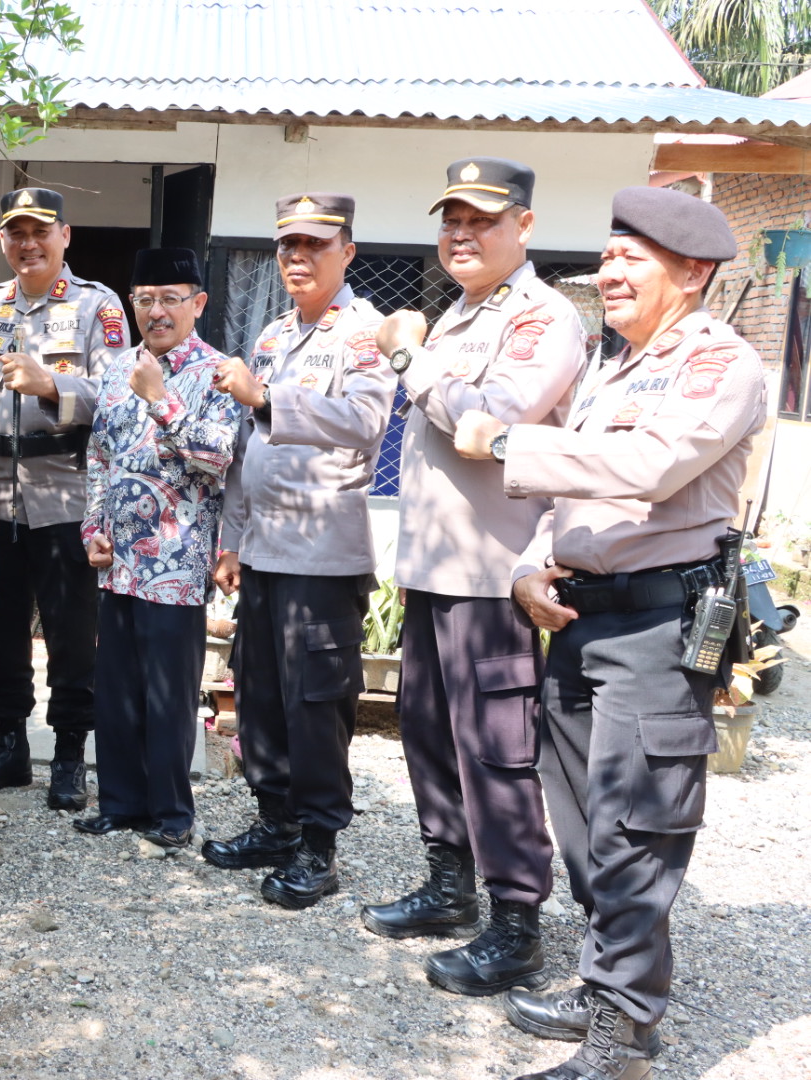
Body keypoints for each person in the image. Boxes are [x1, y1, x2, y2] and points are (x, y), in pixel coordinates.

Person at [453, 187, 761, 1080]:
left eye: (631, 258)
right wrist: (528, 565)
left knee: (637, 825)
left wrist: (511, 442)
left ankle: (623, 1034)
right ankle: (604, 984)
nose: (608, 272)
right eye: (610, 255)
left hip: (661, 624)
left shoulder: (717, 363)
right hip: (583, 616)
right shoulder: (611, 367)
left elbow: (651, 465)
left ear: (692, 271)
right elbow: (577, 496)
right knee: (583, 819)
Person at [367, 158, 586, 992]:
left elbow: (487, 418)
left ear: (523, 227)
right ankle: (451, 884)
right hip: (433, 568)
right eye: (450, 219)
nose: (461, 234)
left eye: (481, 220)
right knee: (427, 731)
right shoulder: (457, 315)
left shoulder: (542, 317)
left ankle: (517, 922)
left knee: (495, 749)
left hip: (498, 575)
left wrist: (405, 360)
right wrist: (423, 354)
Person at [205, 193, 395, 908]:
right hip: (263, 552)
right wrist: (231, 538)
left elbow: (365, 421)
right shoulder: (275, 334)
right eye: (288, 245)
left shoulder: (365, 334)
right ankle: (275, 821)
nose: (297, 257)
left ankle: (319, 848)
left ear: (347, 250)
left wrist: (267, 399)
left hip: (321, 555)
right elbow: (247, 451)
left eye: (315, 244)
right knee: (259, 695)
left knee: (316, 704)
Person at [0, 187, 129, 811]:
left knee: (70, 632)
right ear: (3, 240)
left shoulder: (97, 306)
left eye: (39, 231)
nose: (27, 244)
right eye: (15, 233)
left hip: (63, 493)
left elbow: (118, 394)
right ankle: (8, 746)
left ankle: (66, 757)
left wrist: (53, 382)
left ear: (65, 235)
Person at [73, 247, 240, 848]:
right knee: (116, 688)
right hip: (117, 562)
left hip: (177, 560)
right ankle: (120, 802)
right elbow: (100, 455)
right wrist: (93, 527)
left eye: (171, 298)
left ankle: (172, 815)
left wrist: (160, 398)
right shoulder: (118, 368)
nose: (156, 311)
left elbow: (217, 458)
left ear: (198, 303)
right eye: (145, 299)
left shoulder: (219, 372)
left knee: (168, 694)